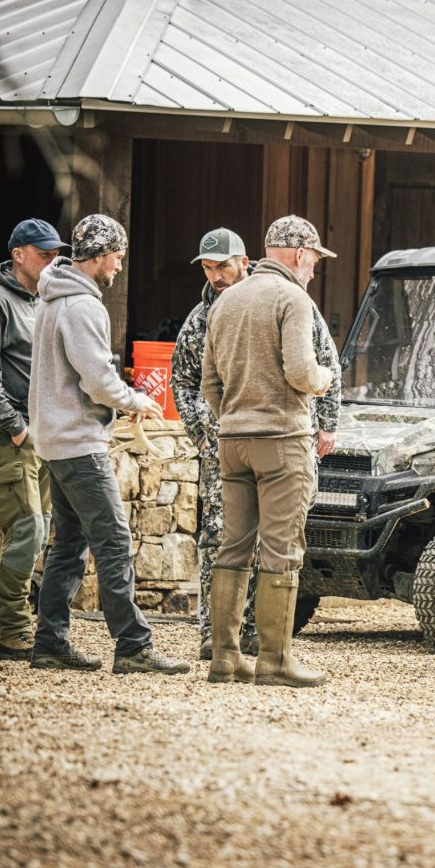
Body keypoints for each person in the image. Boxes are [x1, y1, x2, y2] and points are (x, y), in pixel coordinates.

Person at [27, 214, 190, 675]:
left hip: (54, 439)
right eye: (117, 257)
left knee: (68, 544)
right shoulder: (82, 307)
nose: (119, 266)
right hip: (79, 443)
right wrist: (137, 400)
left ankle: (50, 641)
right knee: (114, 542)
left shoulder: (50, 299)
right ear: (98, 257)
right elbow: (98, 381)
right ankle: (133, 646)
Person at [173, 230, 343, 661]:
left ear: (245, 261)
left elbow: (209, 385)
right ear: (301, 254)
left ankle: (237, 647)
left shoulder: (228, 306)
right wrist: (204, 433)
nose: (215, 276)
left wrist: (230, 420)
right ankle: (267, 656)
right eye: (208, 268)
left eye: (221, 266)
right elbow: (312, 370)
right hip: (270, 439)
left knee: (236, 542)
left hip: (233, 441)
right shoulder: (289, 300)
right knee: (269, 544)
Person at [0, 218, 63, 661]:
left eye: (55, 253)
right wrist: (18, 428)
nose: (51, 260)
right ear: (18, 254)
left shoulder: (41, 301)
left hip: (39, 433)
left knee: (24, 534)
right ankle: (14, 632)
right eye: (43, 253)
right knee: (29, 530)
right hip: (10, 434)